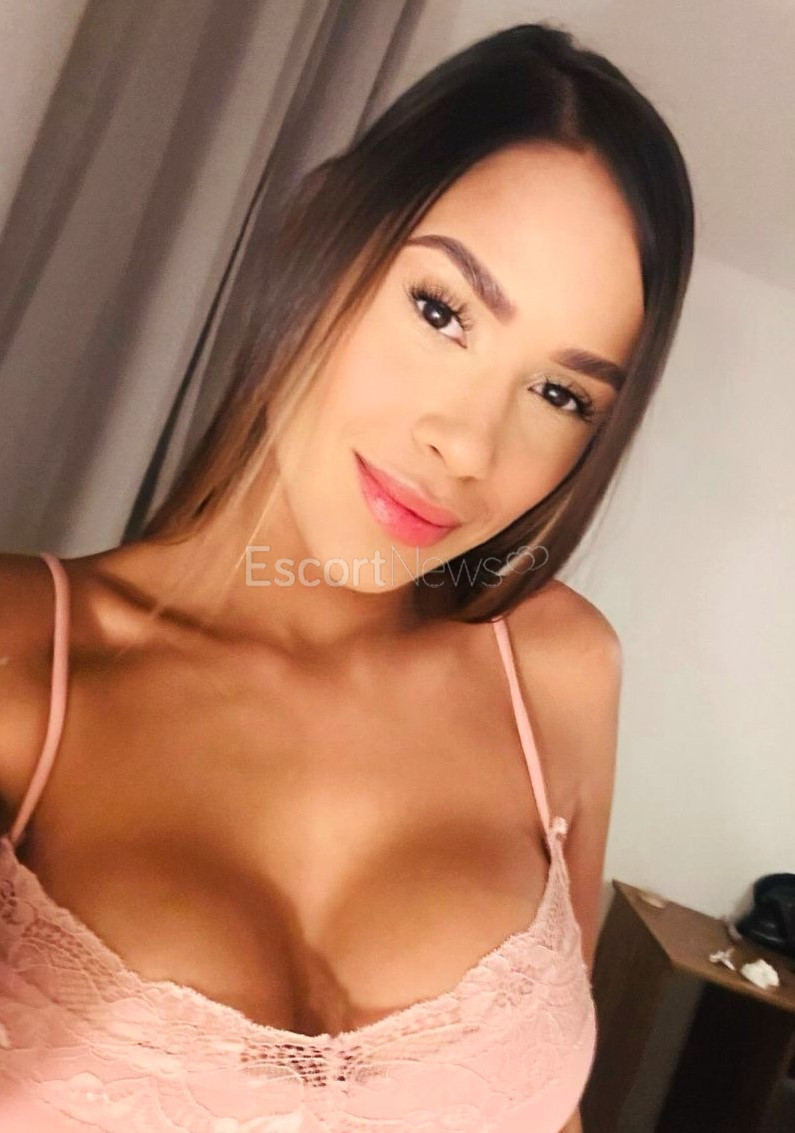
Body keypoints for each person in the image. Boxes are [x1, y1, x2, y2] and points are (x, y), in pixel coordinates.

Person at [0, 20, 693, 1133]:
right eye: (441, 310)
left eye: (561, 395)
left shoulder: (557, 673)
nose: (466, 444)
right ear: (320, 234)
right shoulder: (28, 664)